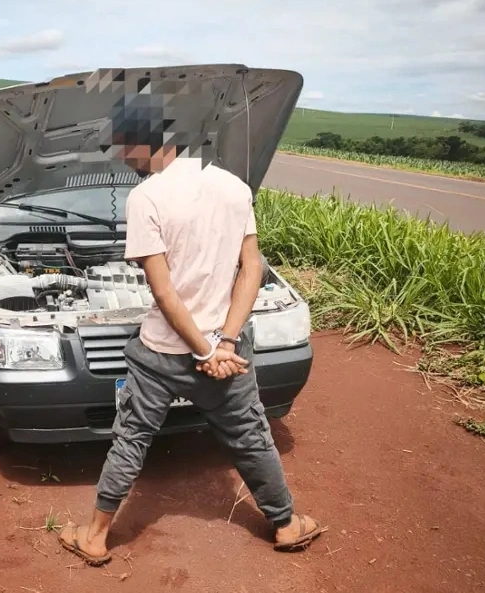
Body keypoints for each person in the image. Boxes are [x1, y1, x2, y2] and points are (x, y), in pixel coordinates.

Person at [57, 86, 322, 564]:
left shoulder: (146, 197)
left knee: (132, 438)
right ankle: (284, 523)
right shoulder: (234, 187)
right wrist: (223, 343)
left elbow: (163, 292)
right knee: (251, 437)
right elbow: (252, 268)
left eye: (123, 148)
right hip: (226, 351)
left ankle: (94, 537)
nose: (123, 158)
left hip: (163, 352)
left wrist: (202, 349)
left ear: (140, 142)